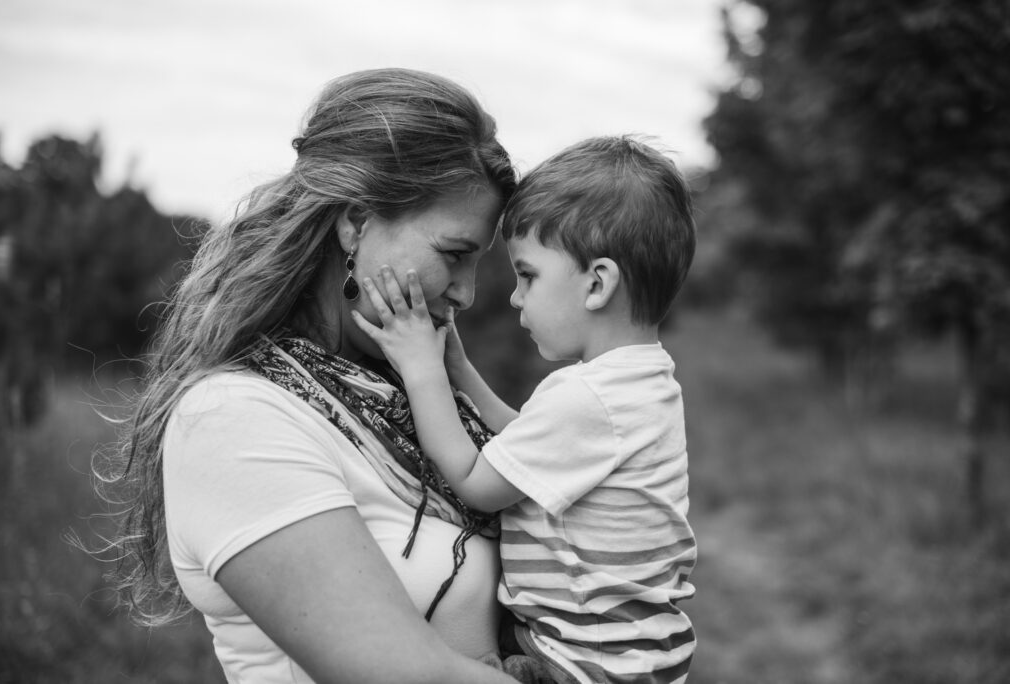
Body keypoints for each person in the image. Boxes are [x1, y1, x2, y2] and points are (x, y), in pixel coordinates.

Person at [97, 68, 534, 683]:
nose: (466, 292)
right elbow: (406, 674)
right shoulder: (235, 419)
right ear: (355, 223)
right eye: (454, 255)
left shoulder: (414, 393)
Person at [353, 136, 699, 683]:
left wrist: (421, 371)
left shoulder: (588, 397)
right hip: (633, 657)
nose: (515, 297)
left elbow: (477, 480)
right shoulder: (641, 380)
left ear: (597, 284)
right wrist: (460, 374)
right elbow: (528, 446)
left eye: (528, 275)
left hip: (580, 665)